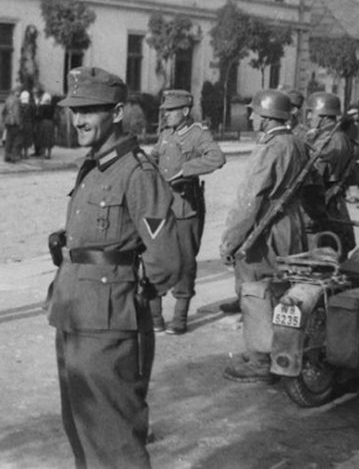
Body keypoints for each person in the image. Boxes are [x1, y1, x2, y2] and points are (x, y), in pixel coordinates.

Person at [47, 66, 181, 468]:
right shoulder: (94, 165)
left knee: (115, 438)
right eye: (75, 111)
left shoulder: (137, 173)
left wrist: (131, 298)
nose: (78, 120)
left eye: (89, 111)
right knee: (81, 428)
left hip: (109, 325)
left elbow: (166, 259)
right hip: (73, 312)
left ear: (118, 112)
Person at [218, 89, 309, 382]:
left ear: (269, 117)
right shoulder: (296, 143)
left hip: (265, 231)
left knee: (255, 291)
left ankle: (260, 360)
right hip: (291, 226)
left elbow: (249, 201)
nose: (251, 116)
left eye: (255, 112)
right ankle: (273, 350)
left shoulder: (270, 148)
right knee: (280, 290)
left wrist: (230, 241)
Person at [147, 89, 225, 334]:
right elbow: (154, 158)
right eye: (164, 111)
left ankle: (179, 319)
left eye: (170, 111)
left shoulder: (198, 134)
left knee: (185, 262)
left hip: (185, 207)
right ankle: (155, 318)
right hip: (159, 206)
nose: (166, 116)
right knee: (153, 259)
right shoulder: (166, 134)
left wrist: (187, 170)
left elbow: (217, 157)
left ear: (184, 111)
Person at [304, 92, 356, 257]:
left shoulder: (329, 140)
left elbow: (314, 176)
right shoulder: (338, 136)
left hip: (326, 207)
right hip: (332, 204)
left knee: (326, 258)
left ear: (323, 116)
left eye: (311, 112)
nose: (309, 116)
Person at [0, 86, 22, 162]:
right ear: (16, 92)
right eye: (19, 91)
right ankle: (13, 156)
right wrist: (19, 123)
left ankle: (7, 156)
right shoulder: (17, 100)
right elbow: (16, 113)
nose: (19, 93)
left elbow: (3, 111)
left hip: (8, 122)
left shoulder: (8, 99)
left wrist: (4, 120)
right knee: (16, 140)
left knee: (8, 139)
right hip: (14, 122)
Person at [34, 85, 55, 159]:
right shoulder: (52, 107)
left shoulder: (42, 107)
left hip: (44, 123)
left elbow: (39, 115)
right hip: (50, 123)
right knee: (49, 139)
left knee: (43, 138)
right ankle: (48, 153)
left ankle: (43, 152)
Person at [19, 87, 36, 159]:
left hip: (21, 124)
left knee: (21, 138)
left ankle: (20, 153)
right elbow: (33, 115)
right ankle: (26, 153)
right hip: (28, 124)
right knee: (27, 139)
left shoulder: (19, 106)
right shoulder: (30, 106)